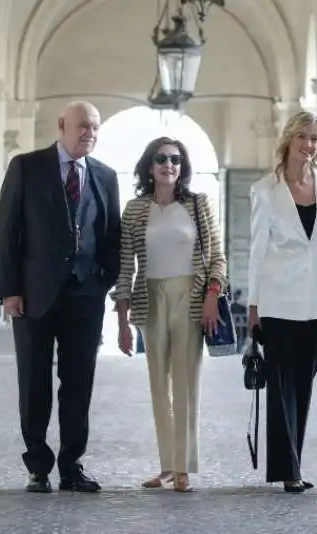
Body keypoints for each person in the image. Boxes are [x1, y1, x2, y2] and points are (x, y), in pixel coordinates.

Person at [0, 101, 121, 493]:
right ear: (62, 124)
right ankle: (37, 465)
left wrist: (104, 280)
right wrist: (10, 291)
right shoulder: (26, 167)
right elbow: (6, 233)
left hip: (85, 296)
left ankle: (71, 465)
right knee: (33, 380)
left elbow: (111, 235)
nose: (90, 133)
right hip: (34, 295)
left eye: (96, 128)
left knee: (79, 382)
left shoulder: (105, 175)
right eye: (83, 126)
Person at [112, 136, 227, 493]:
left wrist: (211, 297)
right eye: (161, 159)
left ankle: (183, 469)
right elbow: (124, 266)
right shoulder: (134, 209)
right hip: (151, 299)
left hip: (190, 297)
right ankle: (167, 465)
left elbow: (218, 259)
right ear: (150, 166)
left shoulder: (197, 204)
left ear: (183, 166)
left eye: (176, 159)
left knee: (185, 384)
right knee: (159, 386)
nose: (169, 165)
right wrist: (122, 323)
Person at [247, 111, 317, 493]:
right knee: (282, 388)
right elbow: (256, 250)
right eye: (303, 137)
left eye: (315, 138)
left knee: (304, 385)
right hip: (277, 303)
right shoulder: (265, 189)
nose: (309, 145)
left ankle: (294, 461)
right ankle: (288, 470)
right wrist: (253, 306)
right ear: (289, 139)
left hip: (316, 303)